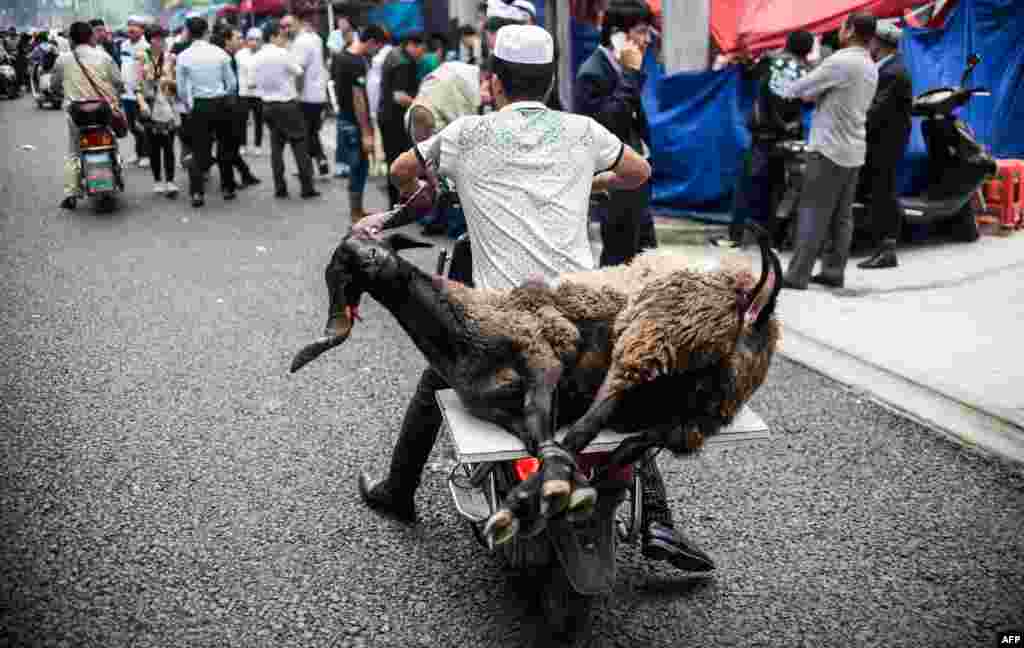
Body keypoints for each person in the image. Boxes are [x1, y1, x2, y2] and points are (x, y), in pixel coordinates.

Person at [354, 24, 714, 574]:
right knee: (616, 391)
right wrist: (589, 183)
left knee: (437, 375)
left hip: (506, 330)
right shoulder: (580, 130)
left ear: (494, 82)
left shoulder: (469, 134)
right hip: (582, 322)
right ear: (550, 84)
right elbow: (638, 171)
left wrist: (431, 192)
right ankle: (658, 519)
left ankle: (398, 491)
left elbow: (404, 170)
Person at [781, 13, 878, 291]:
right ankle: (834, 271)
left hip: (828, 150)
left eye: (843, 25)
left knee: (812, 211)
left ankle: (797, 275)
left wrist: (793, 86)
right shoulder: (869, 66)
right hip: (854, 150)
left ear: (849, 30)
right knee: (842, 217)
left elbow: (799, 88)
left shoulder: (840, 61)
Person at [575, 0, 657, 267]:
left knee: (646, 256)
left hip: (637, 174)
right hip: (615, 180)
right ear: (619, 36)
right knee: (619, 258)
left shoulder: (620, 68)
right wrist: (631, 76)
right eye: (642, 32)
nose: (647, 40)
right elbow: (609, 126)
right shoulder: (592, 72)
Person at [719, 30, 814, 249]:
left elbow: (747, 74)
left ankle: (738, 236)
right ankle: (773, 238)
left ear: (787, 42)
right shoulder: (807, 71)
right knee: (780, 188)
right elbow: (809, 103)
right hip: (790, 137)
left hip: (763, 135)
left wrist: (743, 57)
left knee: (749, 186)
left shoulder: (770, 60)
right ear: (808, 50)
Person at [857, 22, 912, 270]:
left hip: (885, 143)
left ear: (877, 43)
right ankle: (881, 244)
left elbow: (877, 110)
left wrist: (853, 122)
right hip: (882, 141)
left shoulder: (892, 71)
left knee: (884, 193)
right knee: (879, 191)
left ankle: (887, 249)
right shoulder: (888, 68)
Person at [52, 21, 123, 210]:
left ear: (71, 39)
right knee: (111, 142)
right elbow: (118, 81)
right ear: (91, 36)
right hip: (102, 112)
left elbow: (54, 85)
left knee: (74, 152)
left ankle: (71, 193)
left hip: (77, 115)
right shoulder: (104, 57)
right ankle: (115, 171)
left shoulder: (63, 60)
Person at [250, 19, 319, 200]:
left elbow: (251, 83)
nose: (283, 39)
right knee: (299, 144)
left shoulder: (256, 57)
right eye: (281, 35)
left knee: (276, 147)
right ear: (273, 36)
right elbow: (298, 71)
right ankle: (307, 187)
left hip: (267, 106)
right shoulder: (282, 53)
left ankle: (280, 188)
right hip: (287, 105)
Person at [175, 16, 239, 208]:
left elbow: (181, 89)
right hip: (220, 103)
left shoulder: (183, 56)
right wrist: (224, 96)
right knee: (224, 146)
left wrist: (189, 104)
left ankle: (197, 193)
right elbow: (233, 84)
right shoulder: (220, 54)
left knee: (198, 149)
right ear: (207, 32)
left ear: (188, 32)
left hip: (199, 105)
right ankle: (228, 188)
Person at [329, 24, 387, 222]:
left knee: (357, 166)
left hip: (344, 118)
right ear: (371, 42)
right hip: (354, 121)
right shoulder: (355, 62)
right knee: (359, 167)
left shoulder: (340, 57)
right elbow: (358, 98)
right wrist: (366, 132)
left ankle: (357, 209)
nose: (376, 51)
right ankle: (356, 213)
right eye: (377, 47)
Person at [378, 32, 427, 207]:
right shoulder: (403, 63)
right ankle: (401, 202)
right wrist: (421, 106)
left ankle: (397, 201)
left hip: (386, 116)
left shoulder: (394, 53)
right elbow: (399, 96)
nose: (422, 54)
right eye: (421, 49)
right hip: (395, 120)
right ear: (412, 45)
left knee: (392, 158)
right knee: (401, 161)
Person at [210, 25, 261, 189]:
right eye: (237, 38)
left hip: (232, 104)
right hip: (228, 106)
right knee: (227, 146)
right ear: (227, 41)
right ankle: (229, 182)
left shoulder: (231, 56)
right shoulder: (225, 58)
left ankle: (243, 175)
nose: (241, 41)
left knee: (229, 145)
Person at [282, 14, 330, 177]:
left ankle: (308, 166)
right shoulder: (314, 38)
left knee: (305, 133)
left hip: (306, 95)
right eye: (283, 27)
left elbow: (299, 71)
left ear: (298, 23)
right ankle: (319, 161)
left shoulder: (300, 42)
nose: (286, 29)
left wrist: (297, 93)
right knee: (312, 131)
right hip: (318, 93)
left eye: (289, 25)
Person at [135, 25, 180, 198]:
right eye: (156, 38)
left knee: (169, 146)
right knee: (154, 147)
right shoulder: (141, 57)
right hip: (150, 106)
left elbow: (177, 85)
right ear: (150, 39)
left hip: (167, 106)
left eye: (162, 38)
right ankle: (157, 181)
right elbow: (138, 87)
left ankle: (170, 181)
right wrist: (142, 105)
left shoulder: (171, 58)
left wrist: (170, 82)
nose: (160, 41)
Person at [119, 16, 149, 167]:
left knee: (141, 124)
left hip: (140, 92)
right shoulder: (123, 45)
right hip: (126, 91)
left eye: (135, 25)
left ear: (142, 29)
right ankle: (138, 152)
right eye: (129, 25)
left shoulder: (146, 46)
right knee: (131, 125)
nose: (131, 28)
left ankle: (146, 154)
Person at [366, 30, 393, 177]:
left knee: (380, 138)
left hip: (379, 106)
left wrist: (373, 108)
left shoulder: (379, 60)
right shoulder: (385, 56)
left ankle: (381, 165)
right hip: (380, 106)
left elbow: (375, 87)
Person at [235, 27, 264, 156]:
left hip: (259, 93)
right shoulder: (239, 54)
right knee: (241, 120)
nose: (254, 42)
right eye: (251, 39)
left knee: (259, 120)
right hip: (244, 92)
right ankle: (242, 144)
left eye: (257, 40)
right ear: (246, 40)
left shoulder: (264, 54)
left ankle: (258, 145)